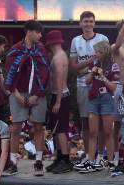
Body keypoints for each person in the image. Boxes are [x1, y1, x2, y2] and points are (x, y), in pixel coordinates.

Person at [4, 20, 50, 177]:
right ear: (29, 32)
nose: (40, 35)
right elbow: (9, 73)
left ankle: (38, 162)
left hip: (38, 93)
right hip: (19, 92)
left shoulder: (42, 49)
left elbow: (45, 74)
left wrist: (36, 94)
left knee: (38, 127)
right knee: (16, 128)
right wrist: (16, 95)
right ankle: (13, 163)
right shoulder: (15, 50)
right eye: (38, 32)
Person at [69, 11, 109, 167]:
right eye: (85, 21)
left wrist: (86, 68)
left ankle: (99, 154)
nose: (88, 24)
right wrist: (91, 63)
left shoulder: (102, 39)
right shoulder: (75, 41)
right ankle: (88, 154)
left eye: (91, 21)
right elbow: (73, 67)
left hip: (100, 83)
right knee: (86, 122)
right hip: (82, 84)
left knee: (100, 122)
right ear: (80, 23)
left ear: (94, 23)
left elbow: (106, 63)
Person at [74, 40, 120, 173]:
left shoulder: (114, 66)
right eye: (95, 51)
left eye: (98, 51)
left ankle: (110, 161)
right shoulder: (94, 63)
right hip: (93, 99)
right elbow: (87, 81)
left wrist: (103, 77)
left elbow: (113, 88)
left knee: (107, 132)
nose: (96, 54)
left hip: (106, 99)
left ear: (104, 52)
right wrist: (92, 73)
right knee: (93, 132)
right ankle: (90, 161)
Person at [44, 30, 73, 174]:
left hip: (60, 96)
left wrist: (58, 101)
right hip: (58, 95)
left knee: (61, 130)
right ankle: (60, 158)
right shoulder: (58, 56)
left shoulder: (58, 58)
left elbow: (60, 79)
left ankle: (66, 160)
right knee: (56, 130)